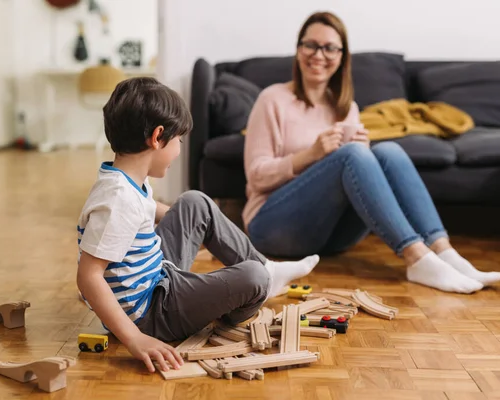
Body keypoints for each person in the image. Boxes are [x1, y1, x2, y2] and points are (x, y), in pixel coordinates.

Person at [243, 11, 500, 294]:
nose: (319, 54)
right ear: (298, 49)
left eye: (329, 47)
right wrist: (312, 154)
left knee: (388, 150)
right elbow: (256, 177)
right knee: (353, 154)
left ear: (342, 56)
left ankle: (445, 252)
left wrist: (364, 161)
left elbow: (355, 172)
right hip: (272, 227)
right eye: (310, 45)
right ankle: (417, 258)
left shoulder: (347, 108)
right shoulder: (272, 99)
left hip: (331, 238)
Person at [76, 77, 320, 374]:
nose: (179, 148)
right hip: (151, 315)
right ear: (157, 137)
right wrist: (135, 338)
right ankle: (260, 284)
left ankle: (269, 271)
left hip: (158, 278)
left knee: (194, 202)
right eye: (178, 140)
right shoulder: (118, 200)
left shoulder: (126, 179)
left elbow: (147, 210)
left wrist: (189, 221)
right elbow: (89, 277)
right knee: (253, 278)